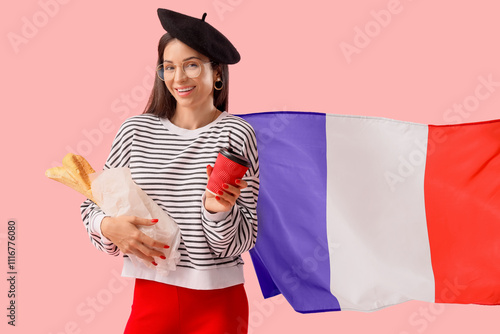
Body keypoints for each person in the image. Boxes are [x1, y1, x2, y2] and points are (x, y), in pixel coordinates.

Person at [80, 8, 259, 334]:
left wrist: (218, 211)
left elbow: (240, 241)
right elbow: (92, 204)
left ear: (217, 72)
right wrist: (107, 226)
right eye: (169, 67)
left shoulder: (235, 134)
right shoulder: (135, 131)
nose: (179, 78)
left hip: (219, 304)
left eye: (192, 65)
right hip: (151, 296)